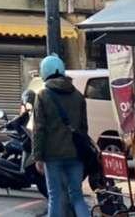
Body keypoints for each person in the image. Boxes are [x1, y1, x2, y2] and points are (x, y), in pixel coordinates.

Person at [29, 55, 91, 217]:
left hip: (53, 155)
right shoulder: (78, 96)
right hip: (76, 154)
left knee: (55, 196)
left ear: (45, 72)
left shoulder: (43, 95)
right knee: (77, 196)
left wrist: (37, 156)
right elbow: (84, 128)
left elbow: (39, 129)